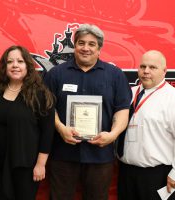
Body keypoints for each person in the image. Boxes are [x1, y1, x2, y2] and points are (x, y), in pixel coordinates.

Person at [44, 23, 132, 200]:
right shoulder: (55, 74)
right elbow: (47, 108)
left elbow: (122, 110)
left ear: (99, 48)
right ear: (74, 45)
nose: (86, 48)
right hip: (63, 154)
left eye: (92, 44)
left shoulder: (115, 75)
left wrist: (113, 135)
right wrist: (61, 128)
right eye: (81, 43)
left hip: (100, 155)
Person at [117, 50, 175, 200]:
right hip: (126, 174)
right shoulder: (128, 94)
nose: (146, 71)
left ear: (164, 71)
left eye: (153, 67)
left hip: (159, 176)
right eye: (142, 66)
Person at [0, 45, 55, 200]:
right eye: (10, 62)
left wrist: (41, 165)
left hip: (25, 165)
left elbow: (47, 132)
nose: (15, 65)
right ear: (4, 66)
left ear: (28, 66)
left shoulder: (39, 94)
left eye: (20, 61)